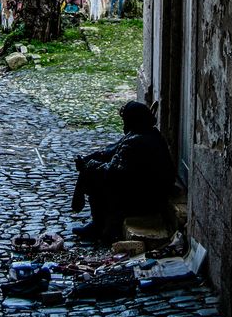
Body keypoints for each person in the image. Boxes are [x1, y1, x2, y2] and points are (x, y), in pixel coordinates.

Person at [71, 101, 176, 243]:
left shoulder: (137, 141)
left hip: (147, 197)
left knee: (95, 179)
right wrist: (91, 158)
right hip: (148, 189)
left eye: (126, 120)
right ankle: (100, 224)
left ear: (133, 121)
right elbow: (111, 151)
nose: (124, 125)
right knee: (93, 170)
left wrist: (89, 166)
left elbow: (113, 172)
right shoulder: (144, 132)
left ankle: (99, 225)